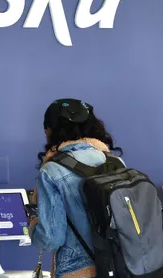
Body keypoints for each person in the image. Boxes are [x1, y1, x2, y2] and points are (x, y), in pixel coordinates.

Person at [29, 98, 123, 278]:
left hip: (77, 269)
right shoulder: (115, 163)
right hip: (120, 266)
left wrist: (33, 224)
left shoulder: (52, 171)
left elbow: (50, 239)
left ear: (49, 131)